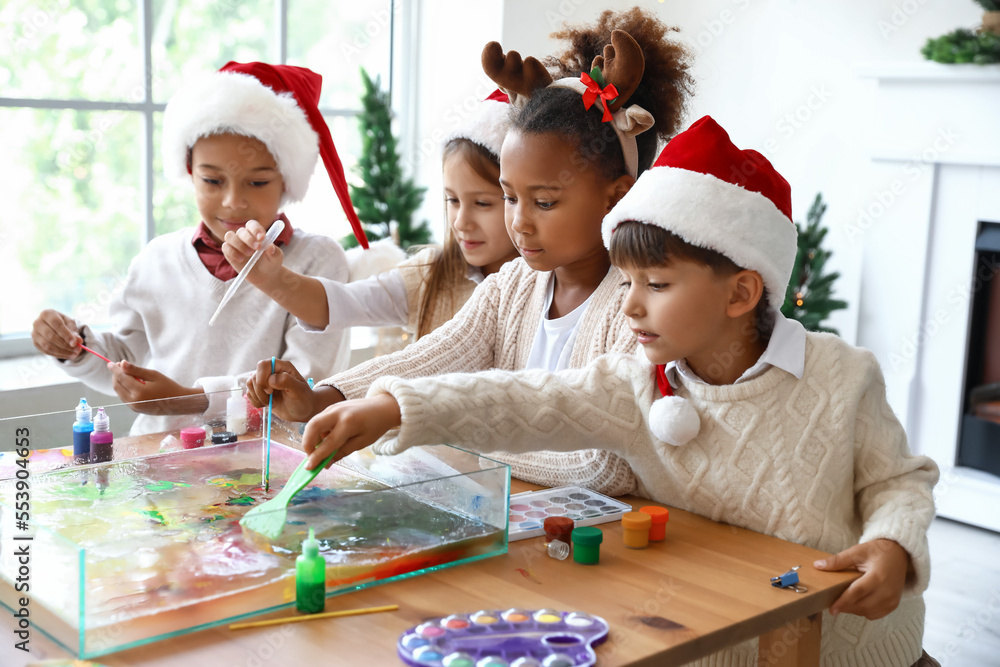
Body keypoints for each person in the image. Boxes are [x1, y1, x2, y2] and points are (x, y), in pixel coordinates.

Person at [296, 116, 941, 667]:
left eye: (655, 285)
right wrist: (391, 405)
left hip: (843, 648)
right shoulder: (637, 381)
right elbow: (521, 399)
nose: (629, 306)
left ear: (741, 293)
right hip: (713, 636)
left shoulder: (840, 376)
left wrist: (891, 547)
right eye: (626, 281)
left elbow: (898, 482)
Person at [246, 8, 695, 496]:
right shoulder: (514, 286)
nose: (518, 221)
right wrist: (324, 399)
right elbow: (434, 358)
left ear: (615, 196)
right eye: (508, 195)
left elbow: (604, 466)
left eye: (544, 201)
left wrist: (434, 425)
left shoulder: (636, 307)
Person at [29, 61, 368, 432]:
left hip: (264, 472)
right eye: (212, 180)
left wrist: (191, 398)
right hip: (159, 469)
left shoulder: (316, 261)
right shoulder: (156, 260)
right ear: (190, 171)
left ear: (287, 180)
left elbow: (304, 385)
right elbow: (127, 359)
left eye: (257, 183)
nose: (233, 202)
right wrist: (75, 345)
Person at [221, 91, 519, 341]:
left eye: (482, 203)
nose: (460, 222)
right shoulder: (431, 276)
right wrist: (273, 279)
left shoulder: (548, 290)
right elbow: (343, 303)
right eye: (452, 200)